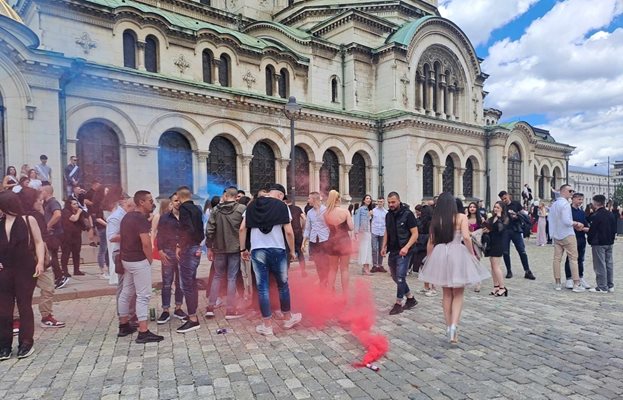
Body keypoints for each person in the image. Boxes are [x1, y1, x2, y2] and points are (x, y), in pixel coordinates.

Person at [418, 192, 490, 343]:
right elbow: (466, 237)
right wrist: (471, 253)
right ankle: (454, 327)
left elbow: (431, 242)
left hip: (441, 253)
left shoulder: (436, 220)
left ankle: (448, 326)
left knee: (446, 294)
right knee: (458, 293)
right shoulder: (461, 217)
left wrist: (430, 260)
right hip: (457, 252)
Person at [240, 183, 302, 336]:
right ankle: (288, 318)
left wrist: (243, 249)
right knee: (283, 285)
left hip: (257, 250)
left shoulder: (252, 205)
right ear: (280, 195)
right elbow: (288, 231)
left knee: (262, 288)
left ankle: (266, 325)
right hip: (278, 249)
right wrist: (293, 251)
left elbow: (242, 228)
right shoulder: (282, 206)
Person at [0, 191, 45, 360]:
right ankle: (4, 345)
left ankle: (26, 343)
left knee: (24, 305)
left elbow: (39, 241)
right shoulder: (0, 221)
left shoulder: (28, 220)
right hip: (4, 269)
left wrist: (40, 262)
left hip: (25, 268)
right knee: (4, 308)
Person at [117, 190, 163, 343]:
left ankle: (123, 325)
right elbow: (145, 243)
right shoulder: (140, 219)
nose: (152, 203)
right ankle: (143, 331)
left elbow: (123, 238)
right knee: (143, 295)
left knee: (126, 292)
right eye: (150, 200)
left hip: (127, 259)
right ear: (141, 202)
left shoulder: (126, 217)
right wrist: (149, 260)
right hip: (138, 260)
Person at [18, 188, 65, 328]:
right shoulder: (25, 217)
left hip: (40, 257)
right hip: (29, 258)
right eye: (38, 200)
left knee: (48, 287)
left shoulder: (38, 215)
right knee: (24, 290)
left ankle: (46, 315)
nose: (41, 202)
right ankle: (19, 318)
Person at [205, 187, 246, 319]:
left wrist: (209, 247)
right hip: (235, 248)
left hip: (219, 248)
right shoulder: (241, 209)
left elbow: (209, 230)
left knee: (217, 276)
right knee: (232, 278)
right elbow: (244, 229)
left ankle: (210, 307)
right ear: (235, 196)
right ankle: (230, 310)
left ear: (226, 195)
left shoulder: (216, 210)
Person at [381, 191, 418, 315]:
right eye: (389, 202)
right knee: (395, 276)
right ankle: (411, 298)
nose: (391, 204)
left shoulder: (408, 214)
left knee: (401, 276)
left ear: (398, 200)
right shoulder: (388, 215)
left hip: (405, 250)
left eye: (393, 202)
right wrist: (384, 246)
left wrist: (407, 247)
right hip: (393, 249)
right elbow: (387, 231)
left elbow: (415, 234)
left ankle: (398, 303)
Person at [175, 186, 205, 334]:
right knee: (191, 282)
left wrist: (181, 245)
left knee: (186, 284)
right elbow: (201, 229)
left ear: (179, 197)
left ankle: (193, 319)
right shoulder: (197, 209)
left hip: (189, 248)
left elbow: (187, 230)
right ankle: (192, 314)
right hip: (196, 247)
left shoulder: (184, 210)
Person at [156, 194, 187, 323]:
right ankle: (165, 310)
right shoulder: (164, 218)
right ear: (171, 202)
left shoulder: (186, 218)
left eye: (180, 200)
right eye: (175, 200)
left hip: (183, 254)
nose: (178, 202)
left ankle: (178, 307)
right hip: (168, 252)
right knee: (167, 282)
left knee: (180, 282)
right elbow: (160, 234)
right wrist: (160, 251)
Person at [548, 184, 585, 292]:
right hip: (567, 234)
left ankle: (558, 283)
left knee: (557, 259)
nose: (572, 193)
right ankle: (576, 283)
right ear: (563, 191)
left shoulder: (554, 204)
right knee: (573, 259)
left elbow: (551, 219)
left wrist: (552, 233)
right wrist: (577, 223)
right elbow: (566, 221)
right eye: (570, 191)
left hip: (557, 234)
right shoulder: (565, 204)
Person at [498, 191, 535, 280]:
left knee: (522, 251)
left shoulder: (516, 204)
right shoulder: (501, 206)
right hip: (505, 231)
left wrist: (517, 216)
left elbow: (523, 215)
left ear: (508, 196)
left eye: (505, 198)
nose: (504, 200)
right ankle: (509, 271)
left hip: (515, 230)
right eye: (502, 199)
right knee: (505, 252)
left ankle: (527, 271)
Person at [323, 190, 354, 297]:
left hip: (331, 241)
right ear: (339, 199)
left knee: (332, 269)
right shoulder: (345, 212)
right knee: (344, 269)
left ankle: (328, 292)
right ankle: (345, 294)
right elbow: (351, 227)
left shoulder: (326, 213)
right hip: (344, 240)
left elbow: (328, 227)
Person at [587, 195, 616, 293]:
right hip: (609, 242)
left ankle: (602, 286)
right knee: (609, 264)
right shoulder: (610, 214)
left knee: (600, 265)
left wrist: (590, 239)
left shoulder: (596, 215)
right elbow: (614, 228)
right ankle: (610, 285)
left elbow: (593, 230)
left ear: (595, 203)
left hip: (598, 242)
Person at [40, 185, 68, 289]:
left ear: (47, 192)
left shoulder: (53, 202)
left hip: (54, 234)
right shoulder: (46, 203)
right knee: (52, 255)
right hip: (51, 234)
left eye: (41, 191)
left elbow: (57, 215)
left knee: (52, 256)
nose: (40, 193)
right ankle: (59, 277)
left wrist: (48, 226)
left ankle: (60, 277)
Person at [563, 193, 591, 290]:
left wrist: (586, 229)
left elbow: (585, 223)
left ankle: (580, 277)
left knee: (581, 259)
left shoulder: (582, 212)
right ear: (573, 199)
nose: (581, 201)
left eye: (582, 200)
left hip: (581, 238)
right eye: (579, 199)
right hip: (571, 237)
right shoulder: (568, 210)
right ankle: (569, 278)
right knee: (570, 258)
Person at [302, 192, 330, 287]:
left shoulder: (326, 210)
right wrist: (303, 242)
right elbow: (307, 228)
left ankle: (326, 279)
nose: (308, 200)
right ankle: (322, 280)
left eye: (309, 198)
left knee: (325, 261)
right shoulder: (309, 212)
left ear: (314, 199)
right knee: (317, 262)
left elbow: (330, 226)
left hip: (325, 239)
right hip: (314, 240)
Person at [483, 201, 508, 297]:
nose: (495, 209)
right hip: (491, 242)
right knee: (492, 266)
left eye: (498, 207)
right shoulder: (492, 218)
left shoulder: (504, 218)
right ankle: (496, 286)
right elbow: (488, 226)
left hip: (499, 242)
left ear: (502, 208)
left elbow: (501, 229)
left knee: (496, 265)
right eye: (495, 207)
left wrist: (499, 217)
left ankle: (502, 287)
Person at [61, 198, 87, 276]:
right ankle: (65, 271)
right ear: (70, 205)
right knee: (66, 253)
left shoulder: (78, 212)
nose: (76, 205)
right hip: (67, 236)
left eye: (76, 203)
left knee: (76, 253)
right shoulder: (65, 211)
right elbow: (73, 219)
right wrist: (78, 212)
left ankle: (76, 270)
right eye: (74, 204)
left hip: (76, 236)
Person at [285, 196, 306, 275]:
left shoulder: (284, 209)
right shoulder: (297, 208)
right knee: (300, 252)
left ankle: (286, 271)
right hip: (298, 232)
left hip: (288, 233)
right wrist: (302, 228)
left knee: (288, 252)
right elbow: (304, 218)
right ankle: (303, 270)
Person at [353, 194, 373, 275]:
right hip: (363, 232)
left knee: (368, 249)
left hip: (368, 231)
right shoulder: (360, 210)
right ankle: (365, 268)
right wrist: (356, 232)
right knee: (364, 249)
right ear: (364, 200)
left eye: (369, 199)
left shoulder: (369, 209)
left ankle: (366, 267)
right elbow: (357, 221)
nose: (368, 200)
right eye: (367, 198)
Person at [370, 196, 387, 273]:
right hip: (374, 231)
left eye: (381, 202)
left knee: (381, 249)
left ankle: (380, 265)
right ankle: (374, 265)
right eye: (379, 201)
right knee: (374, 248)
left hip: (382, 231)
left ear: (384, 202)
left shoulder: (386, 212)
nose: (380, 203)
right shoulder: (373, 211)